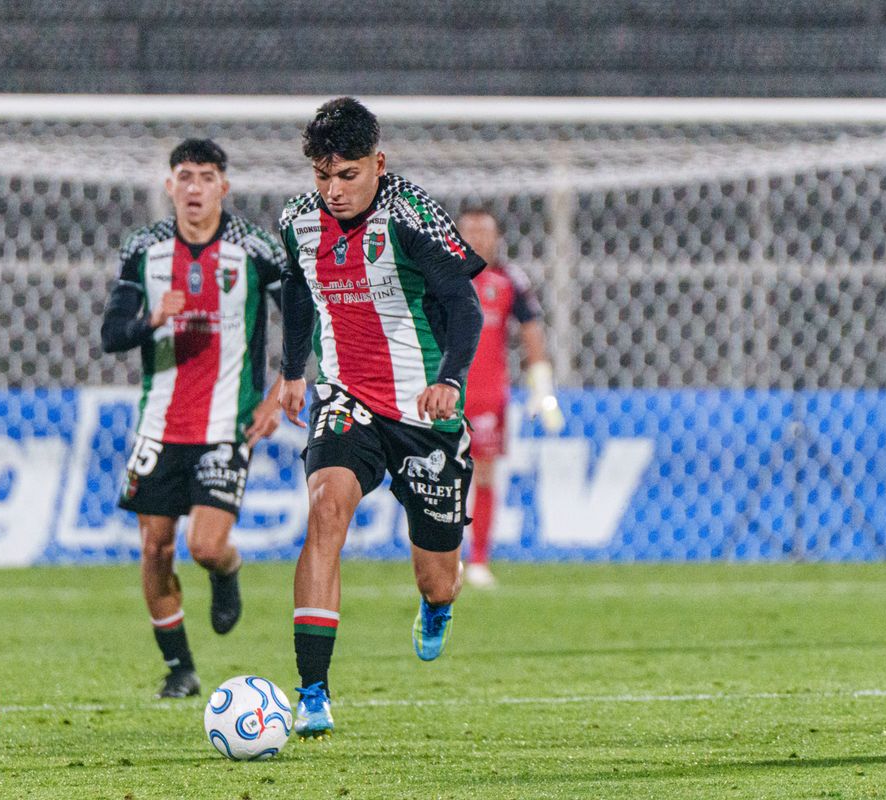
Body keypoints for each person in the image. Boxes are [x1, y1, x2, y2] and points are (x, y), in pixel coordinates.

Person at [278, 97, 485, 738]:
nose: (333, 191)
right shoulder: (297, 222)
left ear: (379, 163)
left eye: (347, 176)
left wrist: (449, 379)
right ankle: (313, 692)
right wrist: (292, 371)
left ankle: (435, 608)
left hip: (424, 410)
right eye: (322, 176)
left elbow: (463, 303)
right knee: (326, 510)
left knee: (439, 580)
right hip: (348, 399)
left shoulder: (411, 214)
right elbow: (295, 290)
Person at [101, 138, 286, 699]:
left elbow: (305, 322)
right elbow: (111, 336)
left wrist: (281, 391)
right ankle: (180, 666)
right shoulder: (144, 249)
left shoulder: (256, 249)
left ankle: (226, 571)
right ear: (169, 186)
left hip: (227, 423)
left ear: (224, 187)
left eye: (206, 177)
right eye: (184, 176)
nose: (195, 187)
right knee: (155, 549)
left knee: (205, 546)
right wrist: (152, 319)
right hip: (159, 424)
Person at [457, 208, 564, 589]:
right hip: (444, 392)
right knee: (441, 475)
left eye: (485, 232)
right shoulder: (440, 274)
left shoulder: (509, 280)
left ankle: (479, 561)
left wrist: (542, 389)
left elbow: (532, 332)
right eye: (470, 231)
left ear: (497, 237)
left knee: (483, 475)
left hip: (487, 395)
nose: (478, 239)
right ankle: (445, 558)